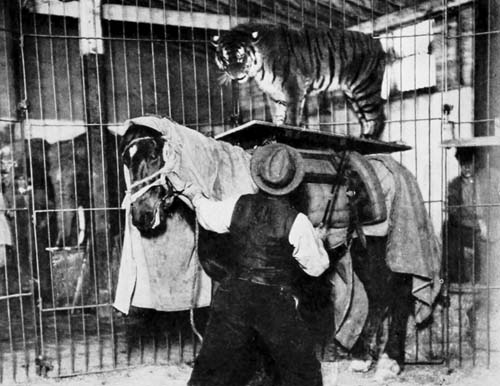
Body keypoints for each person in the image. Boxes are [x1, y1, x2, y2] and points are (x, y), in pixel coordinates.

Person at [169, 143, 329, 386]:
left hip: (233, 295)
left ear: (259, 176)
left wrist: (194, 195)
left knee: (211, 368)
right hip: (274, 301)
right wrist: (319, 241)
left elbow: (207, 215)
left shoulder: (237, 204)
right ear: (292, 182)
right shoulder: (298, 221)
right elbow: (316, 267)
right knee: (303, 371)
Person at [446, 147, 500, 284]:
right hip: (466, 229)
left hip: (488, 226)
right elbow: (454, 214)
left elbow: (493, 207)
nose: (467, 167)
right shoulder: (454, 185)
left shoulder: (484, 181)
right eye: (463, 164)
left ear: (475, 163)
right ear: (459, 163)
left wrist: (488, 223)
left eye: (469, 163)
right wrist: (478, 225)